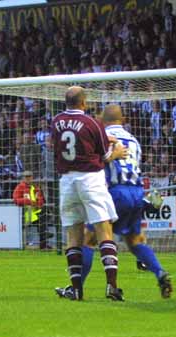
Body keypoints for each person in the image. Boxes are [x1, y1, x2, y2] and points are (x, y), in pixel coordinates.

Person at [56, 105, 172, 300]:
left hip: (115, 192)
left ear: (102, 119)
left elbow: (100, 161)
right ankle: (160, 272)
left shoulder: (100, 135)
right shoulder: (134, 140)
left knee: (89, 240)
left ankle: (76, 288)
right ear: (123, 119)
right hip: (136, 191)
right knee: (135, 241)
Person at [50, 86, 127, 301]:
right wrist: (117, 152)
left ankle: (75, 290)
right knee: (104, 230)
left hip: (66, 182)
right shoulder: (92, 122)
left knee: (73, 236)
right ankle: (111, 286)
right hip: (90, 179)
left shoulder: (56, 122)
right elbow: (104, 156)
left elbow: (59, 146)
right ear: (83, 103)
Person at [12, 171, 49, 249]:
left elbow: (41, 199)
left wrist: (38, 204)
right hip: (24, 214)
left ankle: (44, 242)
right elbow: (16, 200)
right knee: (42, 218)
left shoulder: (36, 187)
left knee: (43, 214)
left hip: (35, 213)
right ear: (23, 178)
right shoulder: (20, 187)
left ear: (32, 177)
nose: (28, 178)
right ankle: (44, 239)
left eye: (29, 177)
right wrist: (29, 202)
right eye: (26, 177)